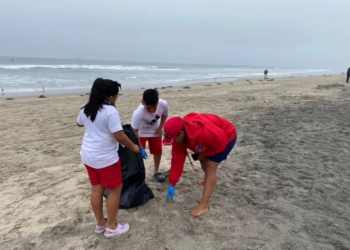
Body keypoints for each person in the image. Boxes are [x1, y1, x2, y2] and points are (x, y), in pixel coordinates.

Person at [77, 78, 140, 238]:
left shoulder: (86, 108)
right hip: (105, 159)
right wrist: (133, 147)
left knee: (97, 189)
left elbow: (79, 123)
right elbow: (118, 135)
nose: (116, 99)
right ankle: (112, 227)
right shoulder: (110, 111)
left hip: (88, 155)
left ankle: (100, 224)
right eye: (116, 96)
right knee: (115, 190)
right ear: (110, 97)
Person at [163, 113, 237, 217]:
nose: (173, 142)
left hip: (226, 136)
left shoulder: (203, 132)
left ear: (181, 133)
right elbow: (177, 161)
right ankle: (208, 180)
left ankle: (204, 205)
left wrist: (205, 154)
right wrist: (173, 183)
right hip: (209, 140)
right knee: (201, 159)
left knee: (210, 165)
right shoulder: (179, 137)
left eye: (173, 139)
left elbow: (221, 142)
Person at [131, 89, 170, 182]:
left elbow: (165, 114)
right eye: (148, 108)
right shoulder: (138, 113)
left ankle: (156, 171)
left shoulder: (163, 104)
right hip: (141, 132)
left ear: (158, 102)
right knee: (137, 154)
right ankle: (139, 173)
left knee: (158, 151)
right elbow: (134, 131)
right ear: (143, 102)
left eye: (154, 107)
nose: (152, 110)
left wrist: (160, 128)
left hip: (155, 131)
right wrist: (140, 146)